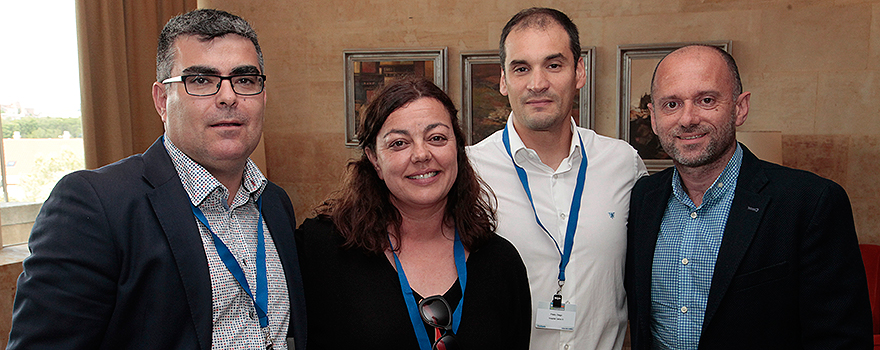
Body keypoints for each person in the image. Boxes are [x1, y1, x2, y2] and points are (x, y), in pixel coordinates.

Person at [7, 9, 306, 350]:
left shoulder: (276, 203)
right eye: (201, 81)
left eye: (245, 80)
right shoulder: (95, 206)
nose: (228, 96)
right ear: (163, 101)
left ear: (263, 97)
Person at [624, 45, 872, 349]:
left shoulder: (810, 203)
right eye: (671, 104)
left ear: (740, 108)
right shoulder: (642, 198)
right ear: (653, 117)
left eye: (706, 100)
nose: (687, 119)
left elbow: (841, 339)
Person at [295, 76, 531, 349]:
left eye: (437, 138)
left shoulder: (501, 262)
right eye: (399, 143)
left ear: (458, 148)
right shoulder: (321, 249)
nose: (421, 154)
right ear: (374, 159)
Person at [467, 7, 647, 350]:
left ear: (579, 72)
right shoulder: (469, 172)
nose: (538, 84)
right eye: (522, 68)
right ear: (503, 80)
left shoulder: (623, 163)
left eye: (553, 65)